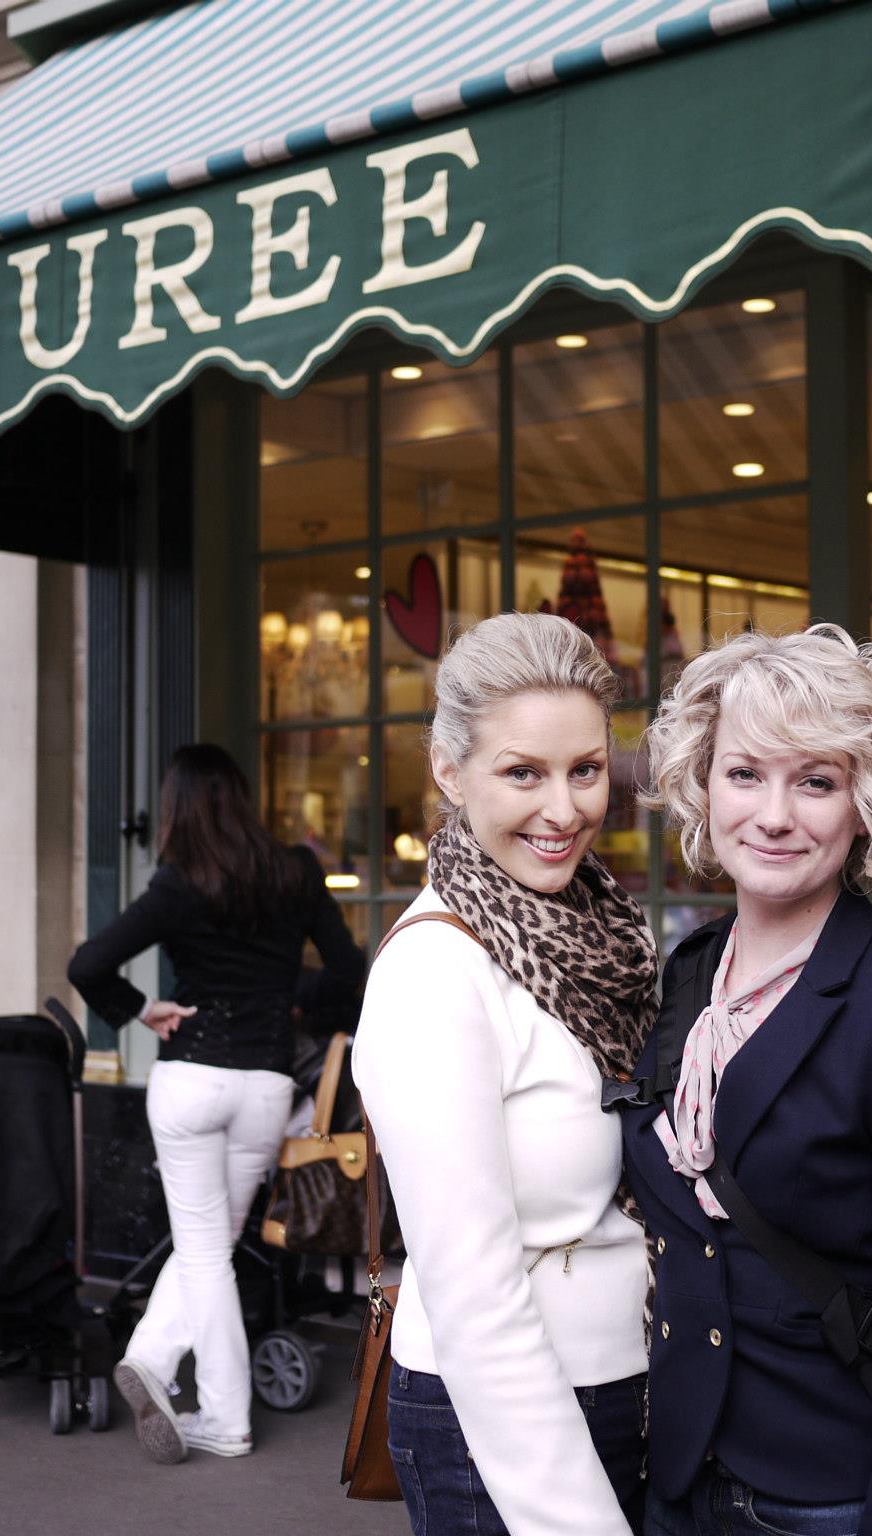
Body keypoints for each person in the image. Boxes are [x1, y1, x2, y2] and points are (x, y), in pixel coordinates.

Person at [624, 624, 872, 1536]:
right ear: (701, 786)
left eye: (817, 781)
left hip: (833, 1498)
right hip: (679, 1480)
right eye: (745, 772)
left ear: (867, 805)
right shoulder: (689, 975)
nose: (773, 814)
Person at [352, 612, 657, 1536]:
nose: (563, 810)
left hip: (632, 1388)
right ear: (449, 771)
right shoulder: (434, 969)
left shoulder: (612, 935)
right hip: (501, 1421)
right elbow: (473, 1290)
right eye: (522, 772)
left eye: (586, 770)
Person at [69, 744, 364, 1465]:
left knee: (203, 1252)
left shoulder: (179, 883)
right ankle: (152, 1362)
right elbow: (351, 970)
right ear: (243, 798)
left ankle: (225, 1417)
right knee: (213, 1248)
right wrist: (295, 1003)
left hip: (193, 1079)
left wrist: (139, 1009)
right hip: (266, 1087)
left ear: (176, 809)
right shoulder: (294, 869)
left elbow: (87, 964)